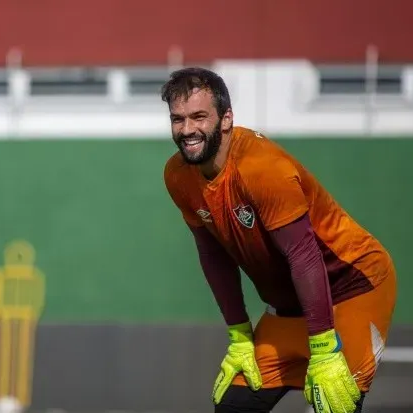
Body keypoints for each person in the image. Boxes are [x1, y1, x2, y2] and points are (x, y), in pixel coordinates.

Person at [161, 67, 397, 413]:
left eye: (199, 116)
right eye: (177, 119)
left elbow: (304, 256)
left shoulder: (261, 168)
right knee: (233, 406)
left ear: (226, 119)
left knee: (334, 404)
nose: (187, 130)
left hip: (352, 286)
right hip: (288, 305)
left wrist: (324, 347)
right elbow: (212, 255)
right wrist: (239, 334)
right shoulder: (178, 176)